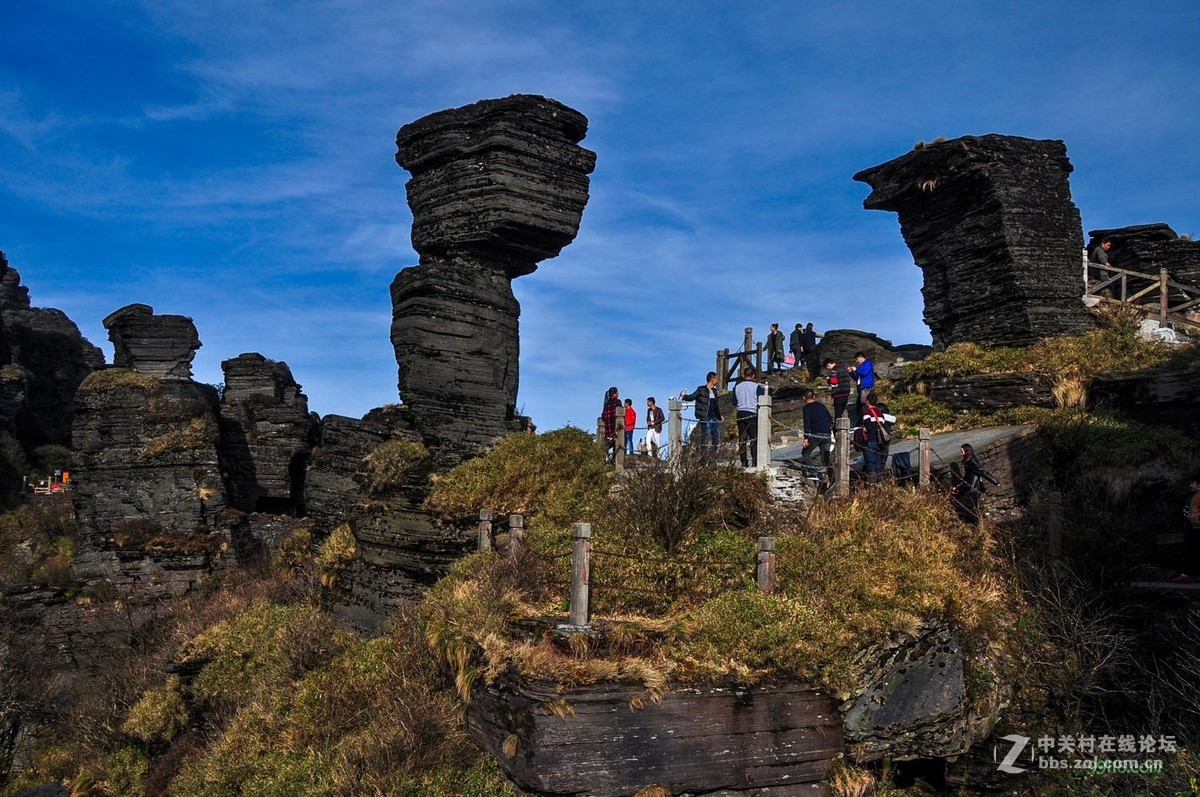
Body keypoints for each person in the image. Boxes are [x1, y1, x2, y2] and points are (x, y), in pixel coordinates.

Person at [950, 443, 999, 525]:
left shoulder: (972, 461)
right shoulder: (968, 461)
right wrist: (958, 486)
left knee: (964, 506)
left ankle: (976, 522)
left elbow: (983, 472)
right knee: (970, 507)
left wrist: (995, 481)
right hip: (970, 487)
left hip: (973, 488)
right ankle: (974, 523)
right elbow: (967, 476)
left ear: (966, 451)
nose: (961, 453)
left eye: (962, 451)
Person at [681, 371, 724, 462]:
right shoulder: (701, 389)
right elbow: (692, 397)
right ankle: (703, 460)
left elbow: (716, 406)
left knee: (716, 439)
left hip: (714, 417)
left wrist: (719, 416)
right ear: (712, 379)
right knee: (705, 439)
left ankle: (712, 460)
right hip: (705, 417)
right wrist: (684, 396)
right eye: (716, 379)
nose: (717, 380)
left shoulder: (714, 391)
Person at [733, 365, 767, 467]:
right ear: (753, 376)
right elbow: (761, 399)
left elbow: (734, 402)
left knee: (742, 438)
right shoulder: (757, 387)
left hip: (741, 412)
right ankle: (755, 460)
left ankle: (743, 461)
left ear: (743, 375)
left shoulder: (737, 387)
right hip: (752, 413)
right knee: (753, 437)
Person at [801, 389, 833, 478]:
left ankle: (813, 472)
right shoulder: (822, 406)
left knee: (805, 453)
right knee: (825, 457)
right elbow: (830, 418)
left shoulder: (806, 408)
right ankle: (832, 477)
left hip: (815, 434)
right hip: (827, 434)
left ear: (804, 398)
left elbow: (807, 423)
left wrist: (806, 438)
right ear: (814, 397)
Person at [859, 391, 890, 485]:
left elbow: (868, 427)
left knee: (871, 465)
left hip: (871, 440)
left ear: (867, 401)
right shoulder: (880, 413)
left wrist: (863, 429)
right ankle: (881, 485)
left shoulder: (867, 413)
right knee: (879, 465)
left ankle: (872, 485)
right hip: (880, 442)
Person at [1175, 473, 1200, 582]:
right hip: (1191, 529)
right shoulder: (1192, 496)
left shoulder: (1197, 497)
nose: (1190, 485)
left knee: (1191, 552)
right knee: (1191, 552)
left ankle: (1186, 575)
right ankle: (1186, 574)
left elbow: (1194, 516)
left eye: (1192, 483)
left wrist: (1193, 516)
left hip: (1195, 529)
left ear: (1198, 484)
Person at [850, 351, 875, 424]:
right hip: (861, 387)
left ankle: (863, 421)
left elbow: (864, 373)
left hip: (866, 387)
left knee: (864, 405)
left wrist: (856, 370)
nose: (856, 361)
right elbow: (856, 378)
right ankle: (859, 422)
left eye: (857, 359)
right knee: (859, 405)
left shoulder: (868, 363)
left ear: (860, 357)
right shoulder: (860, 366)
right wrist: (851, 372)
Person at [601, 387, 621, 464]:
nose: (618, 393)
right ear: (614, 394)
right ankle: (614, 460)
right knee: (619, 443)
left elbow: (603, 415)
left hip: (607, 428)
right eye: (617, 392)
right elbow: (620, 413)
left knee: (607, 445)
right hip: (615, 428)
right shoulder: (617, 402)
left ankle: (605, 459)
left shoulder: (606, 403)